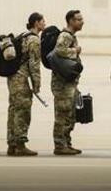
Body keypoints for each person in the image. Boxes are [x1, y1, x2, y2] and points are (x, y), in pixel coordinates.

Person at [7, 12, 45, 156]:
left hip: (12, 78)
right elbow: (34, 64)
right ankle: (20, 144)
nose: (44, 24)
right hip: (22, 79)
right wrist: (37, 84)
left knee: (13, 110)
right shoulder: (34, 40)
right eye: (42, 21)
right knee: (23, 111)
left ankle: (11, 144)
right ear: (36, 23)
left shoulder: (22, 35)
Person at [52, 9, 83, 155]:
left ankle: (66, 143)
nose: (82, 22)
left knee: (69, 114)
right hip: (62, 84)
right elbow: (59, 51)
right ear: (71, 21)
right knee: (62, 114)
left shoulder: (71, 36)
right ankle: (59, 145)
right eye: (78, 19)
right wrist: (75, 51)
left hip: (69, 83)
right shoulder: (65, 35)